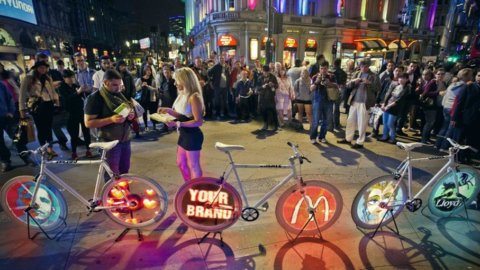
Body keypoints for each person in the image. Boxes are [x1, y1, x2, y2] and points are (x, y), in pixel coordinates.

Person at [84, 69, 136, 176]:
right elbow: (88, 123)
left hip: (125, 139)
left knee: (124, 171)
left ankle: (124, 192)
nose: (118, 88)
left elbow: (128, 109)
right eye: (114, 85)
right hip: (109, 142)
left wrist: (130, 115)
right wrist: (111, 119)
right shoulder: (94, 98)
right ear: (105, 83)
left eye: (119, 84)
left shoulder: (119, 94)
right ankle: (110, 193)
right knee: (112, 175)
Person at [158, 67, 205, 181]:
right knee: (181, 163)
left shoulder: (194, 97)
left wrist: (178, 124)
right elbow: (182, 115)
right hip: (184, 134)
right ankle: (188, 187)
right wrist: (169, 111)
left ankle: (196, 190)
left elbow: (198, 121)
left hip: (193, 135)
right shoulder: (182, 94)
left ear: (184, 80)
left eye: (177, 80)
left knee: (194, 165)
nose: (175, 83)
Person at [19, 61, 60, 159]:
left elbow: (53, 91)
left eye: (45, 67)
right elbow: (22, 94)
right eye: (41, 67)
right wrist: (22, 109)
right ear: (36, 68)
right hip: (37, 106)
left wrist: (57, 102)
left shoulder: (47, 77)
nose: (43, 69)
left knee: (48, 127)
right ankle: (43, 149)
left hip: (48, 104)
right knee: (41, 128)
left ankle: (50, 148)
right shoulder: (29, 78)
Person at [338, 60, 380, 149]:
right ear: (359, 66)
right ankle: (348, 138)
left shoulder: (374, 75)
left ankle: (360, 142)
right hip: (354, 101)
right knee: (350, 120)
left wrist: (369, 83)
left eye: (366, 67)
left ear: (368, 66)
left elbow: (378, 88)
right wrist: (354, 82)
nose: (364, 68)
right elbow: (348, 85)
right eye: (362, 66)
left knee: (362, 123)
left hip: (365, 102)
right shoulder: (357, 73)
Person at [58, 70, 92, 160]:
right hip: (71, 114)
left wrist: (86, 90)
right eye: (69, 77)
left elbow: (84, 96)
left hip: (81, 112)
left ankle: (88, 150)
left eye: (72, 77)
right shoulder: (61, 88)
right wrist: (78, 92)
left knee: (86, 132)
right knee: (74, 134)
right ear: (64, 78)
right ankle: (74, 152)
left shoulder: (75, 86)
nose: (71, 79)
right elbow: (67, 100)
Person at [310, 61, 337, 144]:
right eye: (321, 68)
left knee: (326, 120)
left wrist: (330, 83)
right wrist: (317, 81)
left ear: (327, 68)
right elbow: (311, 89)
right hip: (317, 100)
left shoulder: (332, 76)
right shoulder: (315, 77)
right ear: (319, 69)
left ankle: (322, 137)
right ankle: (313, 137)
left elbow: (337, 86)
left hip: (328, 101)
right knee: (316, 120)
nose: (323, 70)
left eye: (325, 68)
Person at [378, 73, 409, 144]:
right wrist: (383, 104)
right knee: (385, 122)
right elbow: (388, 94)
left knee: (390, 124)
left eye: (403, 78)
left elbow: (399, 100)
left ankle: (393, 138)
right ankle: (385, 136)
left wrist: (388, 106)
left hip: (395, 108)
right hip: (387, 105)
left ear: (407, 79)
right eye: (400, 78)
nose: (401, 79)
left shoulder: (407, 88)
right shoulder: (395, 85)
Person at [417, 69, 439, 144]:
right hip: (429, 106)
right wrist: (437, 93)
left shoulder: (426, 82)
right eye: (423, 74)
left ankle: (426, 138)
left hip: (427, 105)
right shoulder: (430, 82)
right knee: (429, 122)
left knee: (428, 122)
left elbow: (423, 92)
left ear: (430, 75)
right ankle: (424, 139)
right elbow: (426, 93)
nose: (424, 76)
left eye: (426, 74)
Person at [257, 65, 279, 131]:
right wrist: (262, 87)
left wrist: (273, 85)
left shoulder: (273, 77)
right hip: (263, 97)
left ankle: (276, 125)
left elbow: (277, 86)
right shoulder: (260, 78)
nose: (266, 74)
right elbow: (257, 88)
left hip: (271, 97)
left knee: (273, 111)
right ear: (262, 71)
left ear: (269, 71)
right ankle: (265, 124)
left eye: (267, 72)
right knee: (264, 111)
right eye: (265, 72)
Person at [208, 55, 229, 119]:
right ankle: (217, 114)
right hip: (218, 87)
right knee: (217, 101)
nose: (222, 59)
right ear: (218, 59)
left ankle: (226, 114)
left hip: (225, 87)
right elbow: (209, 73)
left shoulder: (226, 66)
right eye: (220, 58)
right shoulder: (216, 66)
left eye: (223, 58)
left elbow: (227, 75)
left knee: (225, 101)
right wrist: (211, 82)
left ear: (224, 59)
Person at [0, 82, 15, 172]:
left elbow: (9, 98)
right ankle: (5, 160)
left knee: (2, 140)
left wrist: (11, 111)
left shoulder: (1, 85)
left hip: (3, 115)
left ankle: (5, 160)